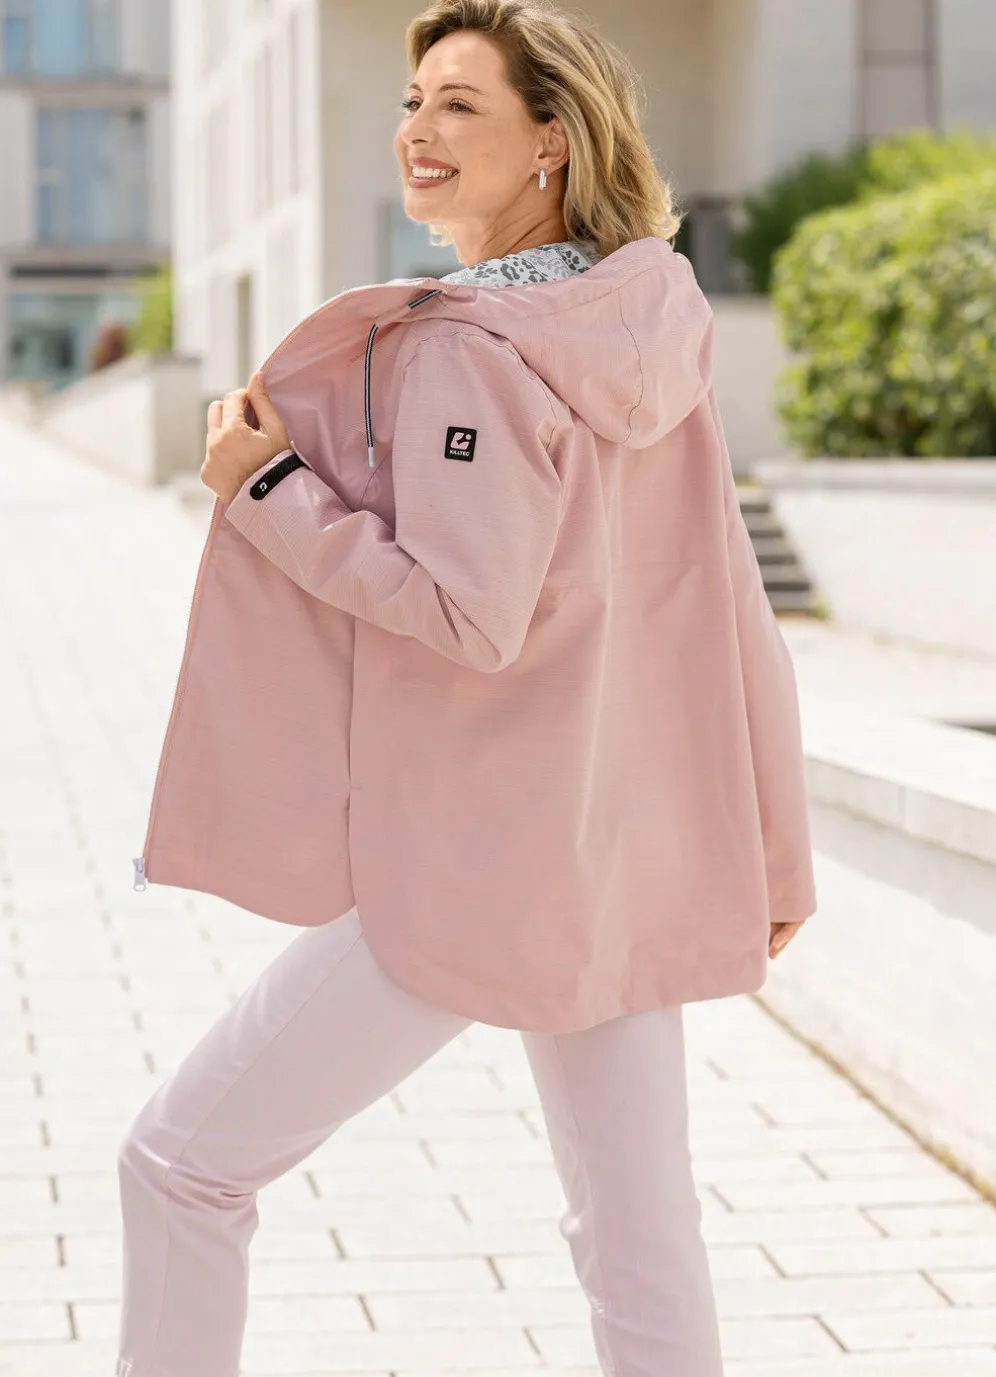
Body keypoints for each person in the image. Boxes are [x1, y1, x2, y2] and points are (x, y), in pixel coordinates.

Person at [116, 1, 817, 1374]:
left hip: (473, 866)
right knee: (637, 1228)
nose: (418, 132)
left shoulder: (469, 349)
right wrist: (774, 852)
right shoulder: (646, 323)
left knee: (178, 1166)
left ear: (551, 140)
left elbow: (464, 614)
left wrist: (268, 487)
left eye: (460, 105)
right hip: (615, 855)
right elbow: (728, 609)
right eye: (412, 102)